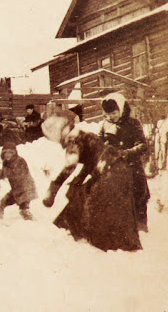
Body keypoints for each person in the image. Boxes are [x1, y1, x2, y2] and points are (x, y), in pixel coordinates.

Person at [41, 111, 142, 252]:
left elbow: (70, 166)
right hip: (120, 169)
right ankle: (124, 244)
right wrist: (79, 180)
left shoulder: (73, 140)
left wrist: (54, 188)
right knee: (113, 207)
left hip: (109, 172)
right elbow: (91, 161)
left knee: (97, 208)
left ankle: (104, 245)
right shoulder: (83, 135)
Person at [98, 93, 150, 232]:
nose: (111, 117)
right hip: (113, 169)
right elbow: (98, 145)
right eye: (108, 114)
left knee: (138, 196)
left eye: (114, 113)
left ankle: (141, 226)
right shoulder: (104, 126)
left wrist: (125, 154)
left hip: (132, 167)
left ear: (121, 109)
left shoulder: (133, 123)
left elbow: (142, 145)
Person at [0, 142, 38, 221]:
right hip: (17, 190)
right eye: (5, 153)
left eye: (10, 153)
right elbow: (3, 174)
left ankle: (34, 225)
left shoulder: (20, 161)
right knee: (0, 204)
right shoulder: (7, 163)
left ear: (14, 153)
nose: (7, 155)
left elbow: (13, 173)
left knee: (24, 210)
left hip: (25, 190)